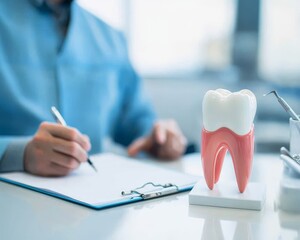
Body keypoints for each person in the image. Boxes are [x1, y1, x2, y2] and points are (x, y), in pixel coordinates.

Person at [0, 0, 187, 176]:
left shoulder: (111, 40)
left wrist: (158, 139)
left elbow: (138, 123)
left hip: (95, 202)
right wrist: (19, 154)